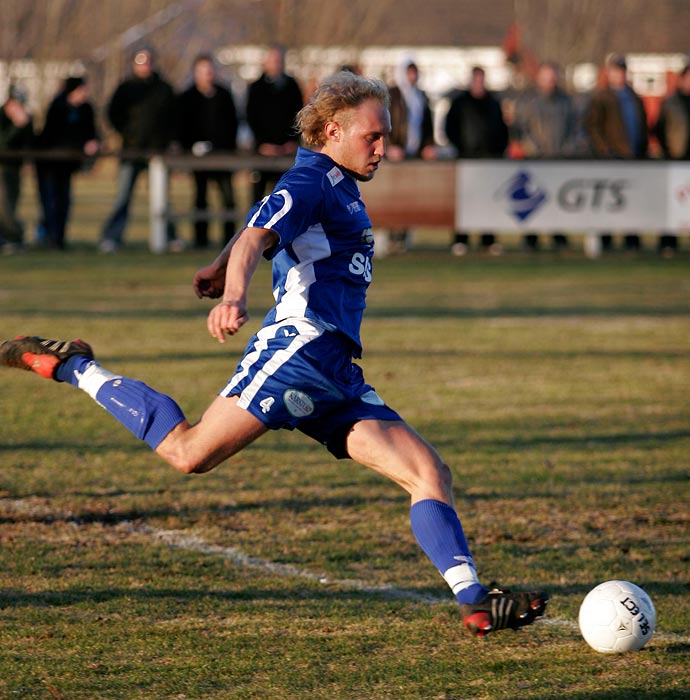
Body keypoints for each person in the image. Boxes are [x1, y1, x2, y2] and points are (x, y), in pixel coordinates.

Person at [0, 71, 549, 638]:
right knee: (189, 453)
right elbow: (258, 237)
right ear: (333, 131)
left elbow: (262, 222)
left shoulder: (334, 180)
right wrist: (234, 293)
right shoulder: (313, 179)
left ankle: (476, 603)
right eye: (374, 136)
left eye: (386, 135)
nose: (385, 147)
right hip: (298, 351)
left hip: (335, 370)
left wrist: (217, 264)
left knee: (429, 472)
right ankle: (71, 365)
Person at [99, 47, 178, 253]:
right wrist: (127, 133)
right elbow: (112, 114)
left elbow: (175, 118)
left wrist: (166, 140)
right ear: (134, 64)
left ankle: (169, 237)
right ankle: (112, 237)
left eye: (148, 62)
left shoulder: (163, 89)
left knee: (162, 200)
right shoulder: (125, 89)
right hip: (131, 151)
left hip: (157, 153)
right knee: (123, 196)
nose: (145, 66)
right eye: (140, 62)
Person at [512, 62, 584, 251]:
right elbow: (521, 129)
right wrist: (532, 149)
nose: (550, 81)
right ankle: (531, 238)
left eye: (553, 77)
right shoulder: (529, 102)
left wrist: (568, 148)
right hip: (535, 160)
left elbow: (576, 129)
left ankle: (557, 236)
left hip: (559, 160)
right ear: (539, 78)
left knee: (556, 201)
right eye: (546, 77)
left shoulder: (566, 102)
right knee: (534, 201)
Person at [584, 53, 648, 251]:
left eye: (621, 71)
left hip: (632, 158)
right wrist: (605, 150)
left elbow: (642, 125)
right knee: (608, 203)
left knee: (632, 201)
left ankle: (632, 240)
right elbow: (592, 126)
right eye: (615, 71)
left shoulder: (633, 97)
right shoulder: (602, 97)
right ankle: (606, 241)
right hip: (611, 159)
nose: (619, 75)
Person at [444, 66, 508, 255]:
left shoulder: (493, 103)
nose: (479, 83)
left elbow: (502, 130)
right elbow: (449, 128)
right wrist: (461, 148)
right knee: (464, 201)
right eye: (476, 79)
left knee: (488, 201)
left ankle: (488, 240)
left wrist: (498, 151)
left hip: (489, 162)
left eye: (482, 79)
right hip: (465, 160)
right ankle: (460, 239)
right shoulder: (460, 103)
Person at [178, 54, 239, 249]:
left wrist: (223, 147)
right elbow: (182, 127)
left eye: (210, 71)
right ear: (196, 73)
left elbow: (232, 124)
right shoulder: (187, 97)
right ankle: (200, 240)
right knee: (200, 198)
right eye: (203, 71)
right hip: (198, 159)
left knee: (228, 200)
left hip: (222, 156)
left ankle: (230, 241)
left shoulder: (223, 95)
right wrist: (192, 146)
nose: (208, 75)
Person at [36, 76, 100, 250]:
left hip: (67, 165)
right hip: (49, 164)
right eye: (82, 90)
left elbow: (92, 132)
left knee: (64, 201)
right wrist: (81, 144)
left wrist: (93, 141)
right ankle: (49, 237)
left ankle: (59, 238)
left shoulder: (86, 109)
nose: (85, 93)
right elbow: (54, 135)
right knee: (50, 201)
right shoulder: (58, 106)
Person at [385, 59, 437, 252]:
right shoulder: (392, 95)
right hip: (396, 156)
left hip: (413, 155)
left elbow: (427, 124)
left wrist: (428, 145)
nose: (412, 77)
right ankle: (393, 236)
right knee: (395, 197)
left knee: (410, 197)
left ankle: (405, 236)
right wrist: (389, 147)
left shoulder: (421, 96)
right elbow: (384, 123)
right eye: (409, 73)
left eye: (414, 73)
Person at [246, 44, 304, 203]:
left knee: (287, 198)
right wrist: (262, 144)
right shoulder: (256, 88)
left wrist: (292, 142)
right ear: (265, 62)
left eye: (279, 60)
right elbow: (251, 118)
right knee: (257, 201)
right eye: (273, 60)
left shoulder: (292, 86)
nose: (276, 63)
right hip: (262, 153)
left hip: (287, 152)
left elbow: (300, 116)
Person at [653, 64, 690, 256]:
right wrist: (668, 152)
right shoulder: (671, 103)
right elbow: (658, 129)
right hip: (676, 161)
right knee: (672, 204)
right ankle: (668, 243)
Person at [0, 85, 34, 252]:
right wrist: (16, 126)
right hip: (1, 167)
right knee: (3, 204)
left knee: (11, 204)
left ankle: (8, 238)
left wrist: (24, 125)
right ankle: (14, 236)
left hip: (15, 167)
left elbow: (30, 143)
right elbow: (3, 143)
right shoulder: (2, 117)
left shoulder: (26, 119)